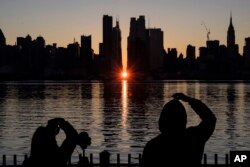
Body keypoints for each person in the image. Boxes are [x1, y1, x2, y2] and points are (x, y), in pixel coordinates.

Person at [141, 93, 216, 167]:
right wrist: (189, 100)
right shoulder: (194, 137)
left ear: (162, 121)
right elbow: (210, 119)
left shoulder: (153, 146)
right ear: (184, 120)